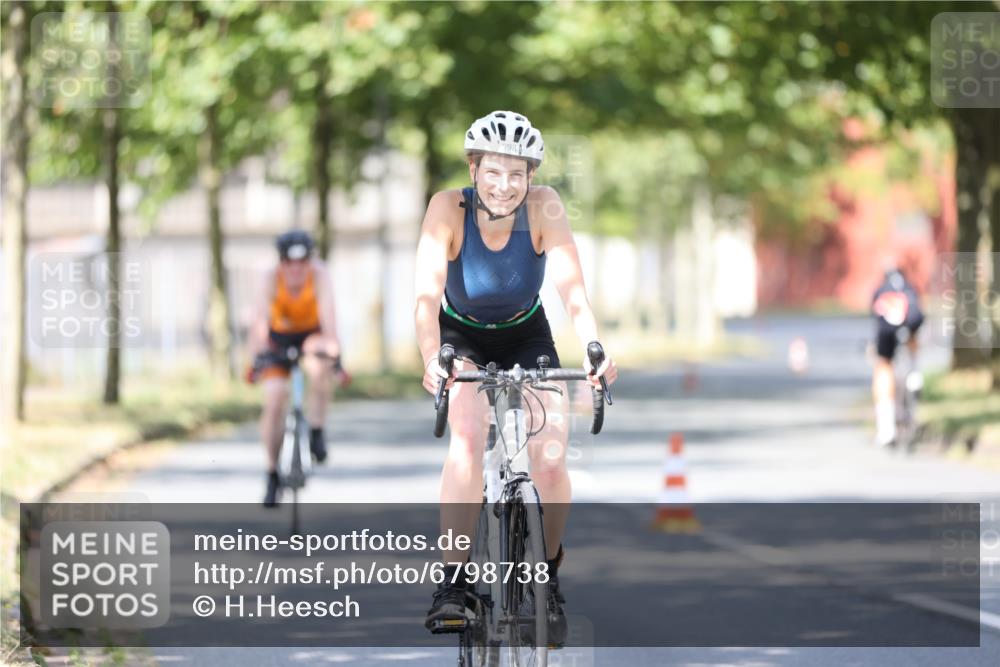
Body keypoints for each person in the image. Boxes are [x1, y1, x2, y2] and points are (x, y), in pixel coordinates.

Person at [413, 110, 618, 644]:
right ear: (474, 167)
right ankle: (453, 584)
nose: (505, 186)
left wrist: (594, 345)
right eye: (493, 172)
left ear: (531, 176)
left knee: (550, 456)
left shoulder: (545, 205)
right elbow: (425, 297)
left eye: (517, 174)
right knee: (465, 435)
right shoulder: (446, 208)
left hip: (527, 333)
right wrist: (433, 356)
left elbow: (573, 291)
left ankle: (546, 578)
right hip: (461, 335)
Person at [247, 230, 343, 507]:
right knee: (275, 397)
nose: (297, 269)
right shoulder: (269, 279)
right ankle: (272, 473)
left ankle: (316, 430)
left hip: (312, 334)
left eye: (303, 262)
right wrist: (259, 357)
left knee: (319, 368)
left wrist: (332, 351)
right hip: (276, 339)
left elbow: (329, 322)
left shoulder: (320, 275)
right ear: (281, 262)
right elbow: (259, 327)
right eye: (290, 262)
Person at [870, 264, 924, 448]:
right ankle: (915, 375)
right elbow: (918, 316)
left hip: (886, 333)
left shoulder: (881, 291)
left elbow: (876, 319)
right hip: (911, 325)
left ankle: (886, 429)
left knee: (883, 366)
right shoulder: (909, 289)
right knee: (913, 339)